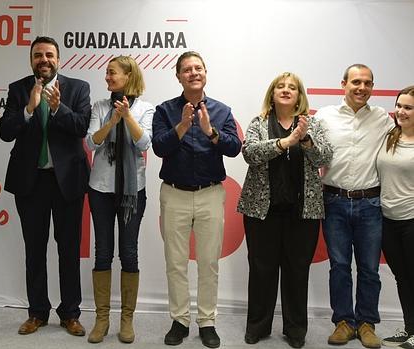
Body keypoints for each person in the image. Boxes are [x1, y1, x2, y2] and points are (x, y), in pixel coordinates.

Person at [0, 36, 91, 337]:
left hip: (67, 182)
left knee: (68, 250)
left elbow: (80, 127)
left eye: (49, 55)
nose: (44, 60)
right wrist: (29, 109)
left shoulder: (78, 88)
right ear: (31, 60)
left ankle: (70, 313)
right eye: (38, 55)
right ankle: (37, 312)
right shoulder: (17, 89)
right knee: (35, 250)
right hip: (31, 181)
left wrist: (57, 108)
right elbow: (5, 132)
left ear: (58, 60)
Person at [152, 51, 242, 348]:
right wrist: (181, 126)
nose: (193, 73)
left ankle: (207, 321)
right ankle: (179, 320)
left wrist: (209, 131)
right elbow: (159, 148)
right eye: (187, 69)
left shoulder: (221, 110)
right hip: (174, 193)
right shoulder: (165, 110)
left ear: (205, 73)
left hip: (210, 194)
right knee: (175, 262)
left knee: (208, 262)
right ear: (178, 76)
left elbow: (233, 148)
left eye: (198, 68)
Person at [237, 72, 333, 348]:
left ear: (300, 96)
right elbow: (250, 153)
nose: (286, 90)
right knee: (261, 270)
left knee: (296, 271)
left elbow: (325, 157)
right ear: (273, 93)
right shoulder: (258, 123)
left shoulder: (312, 124)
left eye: (292, 87)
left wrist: (305, 141)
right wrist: (284, 142)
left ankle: (295, 330)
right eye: (281, 86)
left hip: (301, 213)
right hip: (262, 211)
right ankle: (257, 326)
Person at [315, 64, 394, 349]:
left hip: (371, 203)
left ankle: (367, 324)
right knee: (339, 267)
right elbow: (311, 153)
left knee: (370, 269)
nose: (362, 88)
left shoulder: (383, 118)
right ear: (343, 84)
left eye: (368, 83)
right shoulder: (324, 116)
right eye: (356, 82)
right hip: (334, 201)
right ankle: (344, 323)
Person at [85, 56, 153, 344]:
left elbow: (144, 143)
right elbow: (91, 142)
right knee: (102, 252)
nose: (107, 78)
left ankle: (127, 319)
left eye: (112, 73)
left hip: (131, 192)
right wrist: (112, 120)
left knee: (129, 253)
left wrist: (126, 117)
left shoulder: (146, 108)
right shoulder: (100, 107)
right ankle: (102, 319)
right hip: (100, 188)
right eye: (107, 73)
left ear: (128, 76)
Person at [376, 86, 414, 349]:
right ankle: (410, 328)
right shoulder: (390, 135)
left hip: (412, 219)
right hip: (388, 219)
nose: (401, 111)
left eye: (408, 107)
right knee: (402, 277)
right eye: (399, 105)